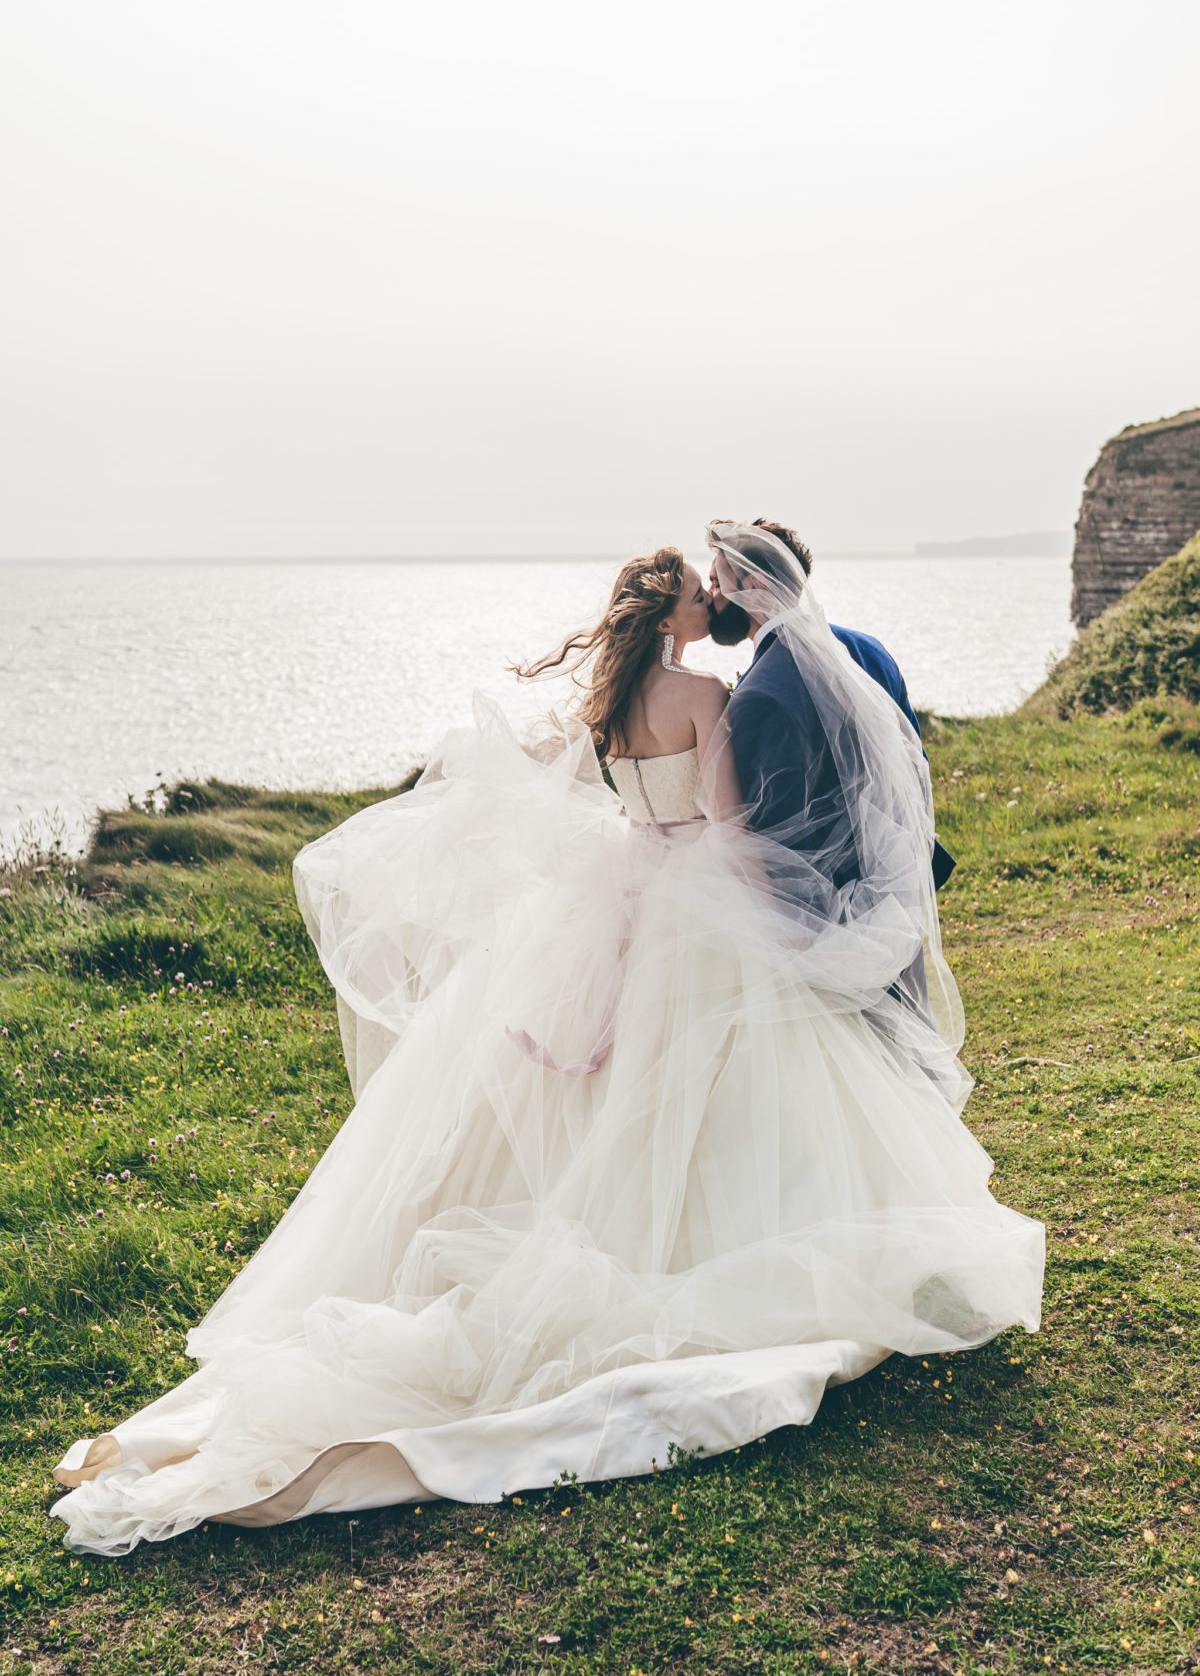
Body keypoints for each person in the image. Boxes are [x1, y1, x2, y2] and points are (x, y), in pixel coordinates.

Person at [49, 529, 1044, 1557]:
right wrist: (784, 926)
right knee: (718, 1084)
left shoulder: (607, 710)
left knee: (599, 1101)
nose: (713, 597)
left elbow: (623, 813)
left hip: (620, 897)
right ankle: (719, 1243)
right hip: (695, 906)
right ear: (677, 614)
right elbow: (726, 825)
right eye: (702, 591)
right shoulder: (709, 700)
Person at [707, 518, 955, 890]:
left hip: (828, 912)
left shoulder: (758, 694)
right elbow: (914, 761)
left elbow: (777, 833)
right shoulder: (870, 650)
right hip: (897, 882)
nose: (711, 596)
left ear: (754, 586)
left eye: (716, 581)